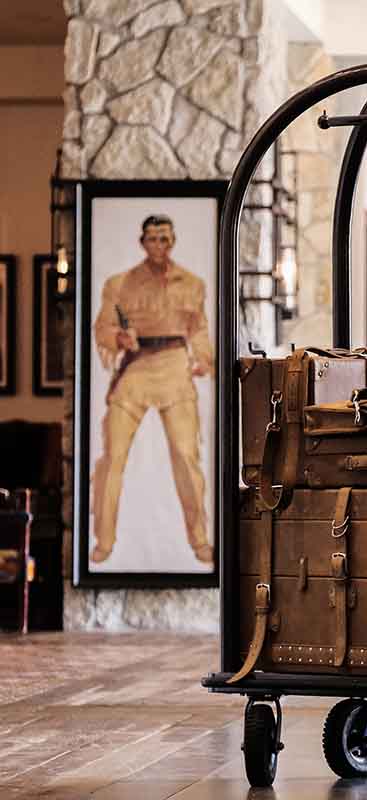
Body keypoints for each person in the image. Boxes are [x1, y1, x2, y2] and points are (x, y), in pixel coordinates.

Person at [91, 214, 214, 565]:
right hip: (136, 366)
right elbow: (103, 327)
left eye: (165, 239)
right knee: (111, 456)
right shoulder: (120, 284)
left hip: (175, 365)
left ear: (173, 242)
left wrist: (203, 358)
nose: (159, 245)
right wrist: (118, 337)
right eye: (152, 239)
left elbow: (200, 329)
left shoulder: (191, 283)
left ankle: (200, 539)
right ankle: (104, 540)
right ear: (142, 242)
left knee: (187, 457)